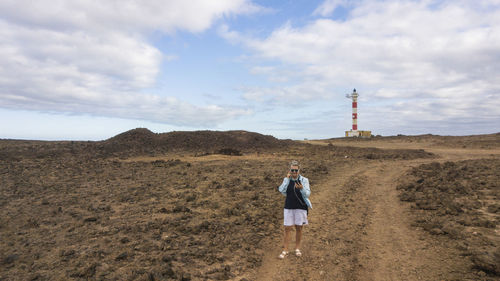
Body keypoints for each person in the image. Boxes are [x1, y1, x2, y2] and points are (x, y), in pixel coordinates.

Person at [277, 160, 312, 259]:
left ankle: (297, 248)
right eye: (292, 170)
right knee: (287, 228)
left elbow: (308, 194)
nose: (294, 172)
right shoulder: (287, 179)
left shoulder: (304, 180)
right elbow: (281, 190)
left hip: (300, 207)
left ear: (299, 170)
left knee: (299, 228)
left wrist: (301, 188)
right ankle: (285, 250)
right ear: (289, 170)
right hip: (289, 206)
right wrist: (286, 180)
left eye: (296, 170)